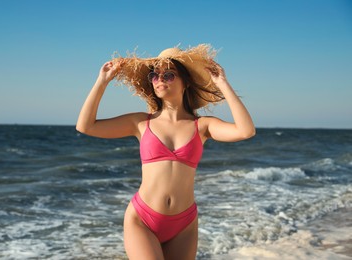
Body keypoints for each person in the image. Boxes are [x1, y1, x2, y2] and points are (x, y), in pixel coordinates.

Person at [76, 44, 255, 260]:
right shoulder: (141, 122)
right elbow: (86, 126)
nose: (160, 79)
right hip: (142, 219)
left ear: (185, 83)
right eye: (155, 75)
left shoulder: (203, 126)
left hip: (184, 224)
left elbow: (245, 131)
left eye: (169, 75)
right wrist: (102, 81)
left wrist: (222, 84)